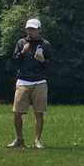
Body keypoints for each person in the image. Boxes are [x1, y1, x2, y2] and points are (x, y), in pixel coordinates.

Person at [8, 17, 51, 149]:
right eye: (28, 29)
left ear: (39, 30)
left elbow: (50, 66)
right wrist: (22, 52)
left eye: (33, 29)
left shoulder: (45, 44)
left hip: (40, 82)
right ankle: (19, 139)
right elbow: (14, 62)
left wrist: (43, 60)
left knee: (39, 113)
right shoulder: (21, 43)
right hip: (23, 81)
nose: (30, 31)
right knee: (17, 112)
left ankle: (37, 141)